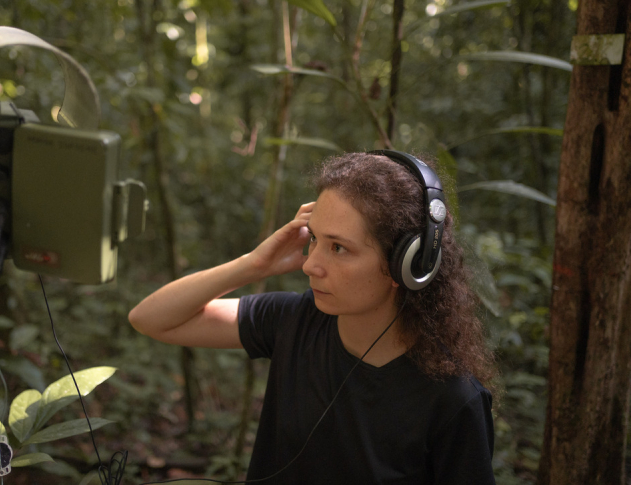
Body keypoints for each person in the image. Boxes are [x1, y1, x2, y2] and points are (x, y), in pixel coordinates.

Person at [128, 151, 497, 484]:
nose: (310, 264)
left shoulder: (453, 398)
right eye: (314, 240)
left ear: (408, 264)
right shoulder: (295, 320)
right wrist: (254, 265)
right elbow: (151, 318)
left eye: (339, 248)